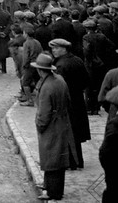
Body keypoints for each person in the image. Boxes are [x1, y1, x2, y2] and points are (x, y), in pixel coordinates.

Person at [32, 53, 76, 201]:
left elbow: (44, 113)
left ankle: (53, 192)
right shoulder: (59, 79)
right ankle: (49, 187)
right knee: (58, 158)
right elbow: (69, 101)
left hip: (51, 125)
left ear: (40, 70)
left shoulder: (46, 87)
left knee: (50, 157)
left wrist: (40, 126)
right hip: (63, 121)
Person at [50, 38, 91, 169]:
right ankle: (78, 160)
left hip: (66, 103)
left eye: (56, 48)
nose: (53, 51)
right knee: (76, 131)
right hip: (78, 100)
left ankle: (70, 162)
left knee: (66, 131)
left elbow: (58, 87)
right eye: (52, 48)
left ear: (64, 49)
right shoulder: (77, 60)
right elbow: (86, 80)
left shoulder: (61, 65)